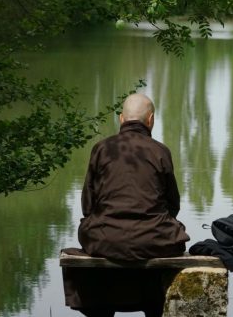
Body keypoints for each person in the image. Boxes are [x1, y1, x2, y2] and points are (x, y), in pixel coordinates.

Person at [66, 93, 190, 317]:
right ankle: (153, 307)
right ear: (151, 120)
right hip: (153, 238)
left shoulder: (101, 149)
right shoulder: (160, 151)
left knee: (90, 232)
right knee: (172, 235)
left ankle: (102, 308)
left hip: (105, 238)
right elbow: (173, 205)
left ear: (121, 119)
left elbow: (87, 205)